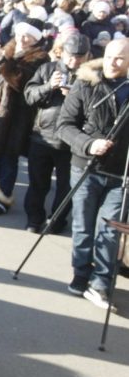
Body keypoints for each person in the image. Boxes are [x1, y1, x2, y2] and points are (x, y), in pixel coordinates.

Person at [57, 37, 129, 307]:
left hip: (122, 174)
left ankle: (101, 283)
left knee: (110, 230)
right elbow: (64, 125)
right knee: (83, 226)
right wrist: (89, 144)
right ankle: (81, 273)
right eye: (110, 56)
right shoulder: (86, 82)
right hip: (85, 167)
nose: (114, 62)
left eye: (121, 58)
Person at [0, 18, 48, 216]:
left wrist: (3, 62)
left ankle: (3, 198)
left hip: (18, 115)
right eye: (21, 33)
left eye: (29, 35)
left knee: (9, 158)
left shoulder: (40, 57)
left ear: (36, 38)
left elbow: (21, 81)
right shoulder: (9, 46)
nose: (23, 38)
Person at [22, 33, 89, 233]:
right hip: (42, 136)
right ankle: (34, 220)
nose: (74, 60)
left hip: (71, 141)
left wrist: (75, 95)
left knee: (65, 187)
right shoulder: (48, 69)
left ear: (87, 56)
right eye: (71, 54)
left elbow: (95, 109)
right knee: (37, 183)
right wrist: (48, 86)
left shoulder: (91, 75)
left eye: (79, 56)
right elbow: (29, 96)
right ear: (62, 52)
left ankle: (57, 221)